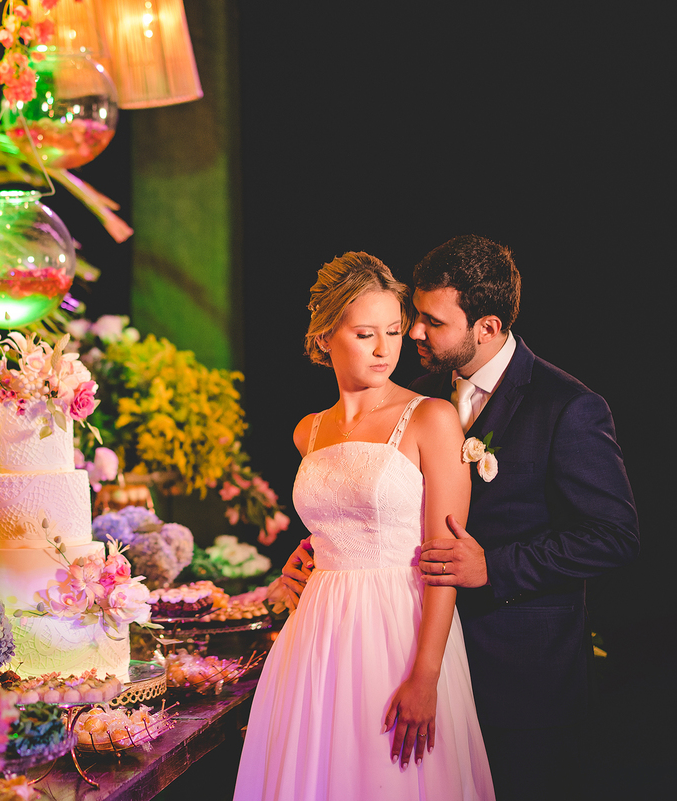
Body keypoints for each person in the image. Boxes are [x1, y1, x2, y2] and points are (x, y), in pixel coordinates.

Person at [273, 235, 639, 800]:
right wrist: (325, 546)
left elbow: (614, 537)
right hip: (392, 638)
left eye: (430, 322)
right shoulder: (416, 394)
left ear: (486, 327)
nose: (414, 334)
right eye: (412, 318)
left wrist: (494, 566)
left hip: (518, 664)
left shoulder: (565, 406)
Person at [236, 253, 494, 801]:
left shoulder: (431, 418)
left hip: (399, 629)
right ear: (325, 337)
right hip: (317, 635)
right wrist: (307, 554)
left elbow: (444, 559)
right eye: (365, 334)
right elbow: (335, 522)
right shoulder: (308, 431)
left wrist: (425, 675)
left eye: (394, 332)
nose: (385, 349)